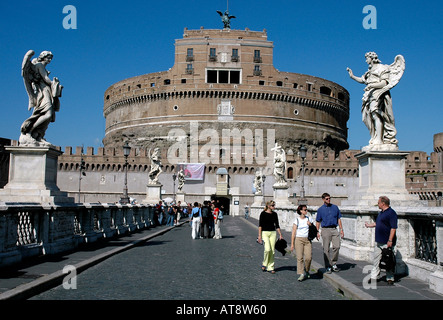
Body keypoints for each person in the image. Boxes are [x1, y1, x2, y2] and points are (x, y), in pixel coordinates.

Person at [365, 196, 398, 285]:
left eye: (378, 203)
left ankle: (390, 278)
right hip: (378, 241)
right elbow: (377, 223)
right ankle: (374, 277)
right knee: (376, 259)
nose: (378, 204)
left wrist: (390, 240)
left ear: (383, 203)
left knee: (388, 260)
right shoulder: (381, 213)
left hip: (386, 241)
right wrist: (369, 225)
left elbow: (393, 228)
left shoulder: (391, 213)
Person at [316, 193, 344, 273]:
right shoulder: (320, 209)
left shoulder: (335, 207)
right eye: (327, 199)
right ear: (323, 199)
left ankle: (334, 263)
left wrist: (341, 229)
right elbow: (318, 221)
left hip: (334, 229)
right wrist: (317, 231)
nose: (329, 200)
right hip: (325, 230)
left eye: (329, 198)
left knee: (337, 246)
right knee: (326, 249)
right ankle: (328, 265)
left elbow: (339, 219)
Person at [291, 205, 315, 281]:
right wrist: (292, 244)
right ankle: (301, 273)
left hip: (307, 240)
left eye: (306, 210)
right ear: (301, 211)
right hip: (299, 240)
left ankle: (307, 270)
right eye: (305, 210)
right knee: (300, 258)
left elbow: (314, 229)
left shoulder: (309, 219)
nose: (306, 211)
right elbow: (293, 232)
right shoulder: (297, 220)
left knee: (308, 257)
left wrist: (310, 224)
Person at [258, 201, 283, 274]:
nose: (274, 207)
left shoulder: (275, 214)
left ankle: (271, 267)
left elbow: (277, 225)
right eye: (272, 205)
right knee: (267, 249)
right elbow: (260, 225)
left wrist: (280, 234)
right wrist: (259, 235)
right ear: (268, 206)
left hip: (273, 233)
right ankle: (264, 263)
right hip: (265, 233)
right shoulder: (263, 214)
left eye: (274, 205)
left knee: (272, 250)